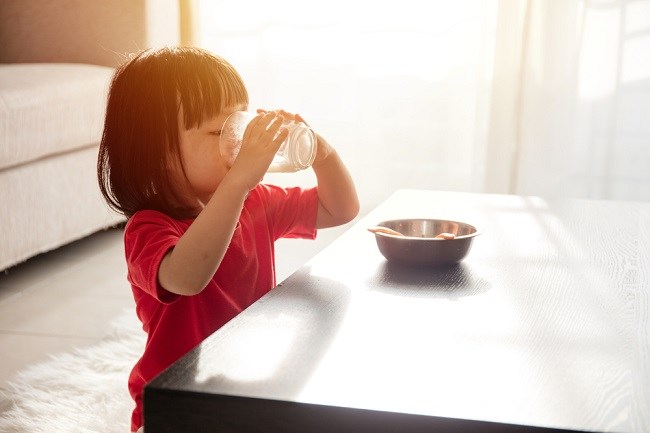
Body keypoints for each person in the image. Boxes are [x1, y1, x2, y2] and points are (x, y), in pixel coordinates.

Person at [96, 46, 359, 432]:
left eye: (239, 122)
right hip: (179, 400)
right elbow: (187, 277)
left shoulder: (256, 201)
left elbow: (340, 209)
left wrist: (322, 152)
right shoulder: (149, 228)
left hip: (246, 379)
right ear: (159, 150)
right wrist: (239, 182)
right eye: (220, 131)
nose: (237, 140)